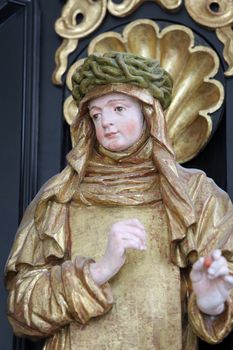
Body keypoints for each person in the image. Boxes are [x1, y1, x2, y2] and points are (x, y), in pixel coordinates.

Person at [5, 52, 233, 350]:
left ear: (148, 114)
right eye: (97, 114)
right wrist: (96, 273)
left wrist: (212, 304)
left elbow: (224, 279)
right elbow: (20, 307)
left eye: (119, 108)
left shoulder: (197, 194)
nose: (106, 123)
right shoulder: (59, 196)